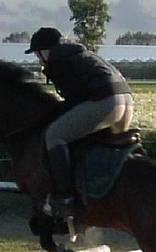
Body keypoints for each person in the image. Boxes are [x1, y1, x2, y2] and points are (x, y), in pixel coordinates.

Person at [25, 27, 134, 218]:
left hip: (106, 101)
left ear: (45, 50)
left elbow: (73, 100)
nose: (38, 59)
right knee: (106, 144)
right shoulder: (80, 53)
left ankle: (66, 198)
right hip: (126, 100)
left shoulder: (58, 60)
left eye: (37, 54)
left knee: (54, 136)